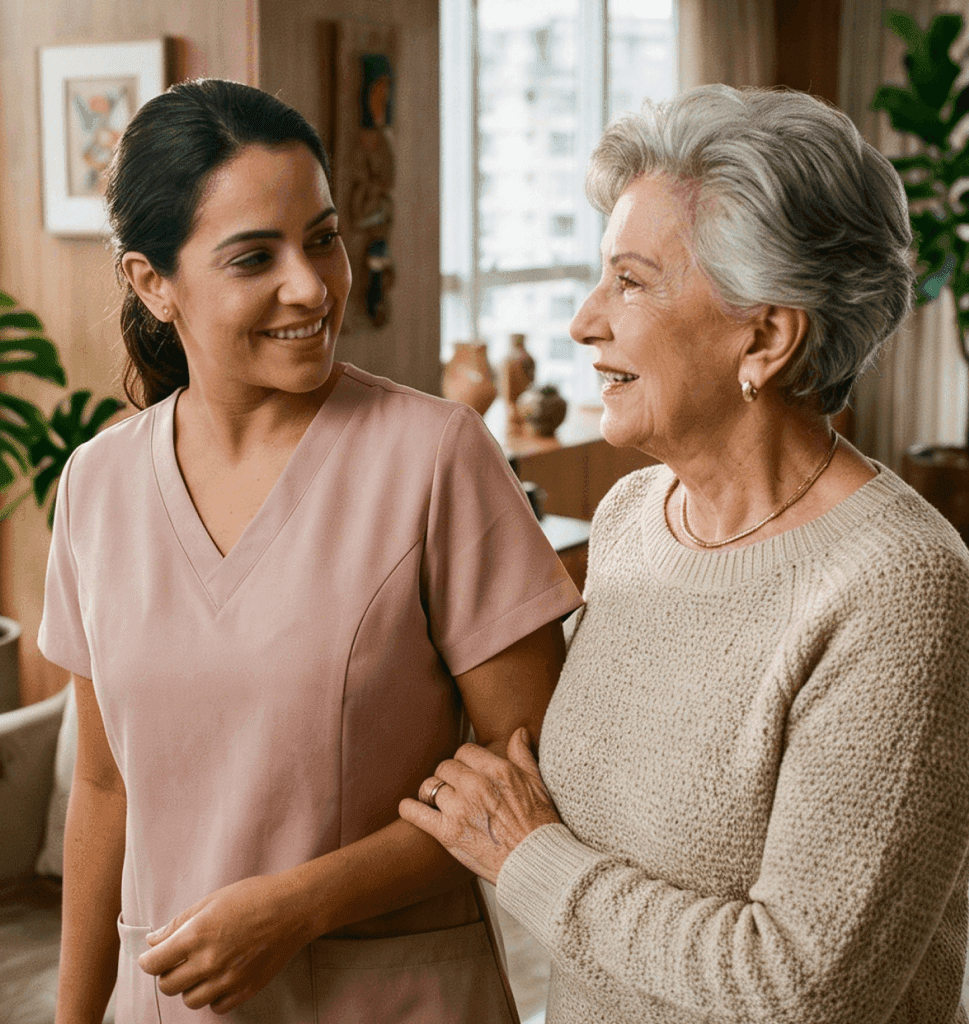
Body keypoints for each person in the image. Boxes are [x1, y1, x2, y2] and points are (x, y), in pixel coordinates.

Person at [401, 84, 969, 1024]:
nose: (586, 321)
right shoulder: (632, 519)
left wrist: (524, 857)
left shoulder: (898, 588)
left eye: (630, 281)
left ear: (765, 336)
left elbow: (803, 986)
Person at [40, 79, 582, 1024]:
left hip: (395, 999)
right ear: (150, 282)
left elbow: (530, 772)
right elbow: (103, 785)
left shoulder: (436, 457)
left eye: (323, 238)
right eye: (256, 256)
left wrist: (301, 905)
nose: (311, 285)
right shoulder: (96, 486)